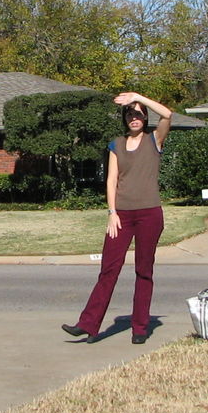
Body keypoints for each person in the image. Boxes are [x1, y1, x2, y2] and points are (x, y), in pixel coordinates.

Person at [61, 91, 172, 345]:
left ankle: (140, 328)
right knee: (108, 269)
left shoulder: (155, 139)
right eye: (130, 114)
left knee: (144, 271)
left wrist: (138, 97)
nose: (134, 118)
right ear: (124, 119)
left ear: (145, 117)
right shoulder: (116, 144)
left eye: (139, 114)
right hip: (121, 215)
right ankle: (87, 324)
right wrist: (112, 213)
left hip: (149, 214)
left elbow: (167, 114)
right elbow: (111, 180)